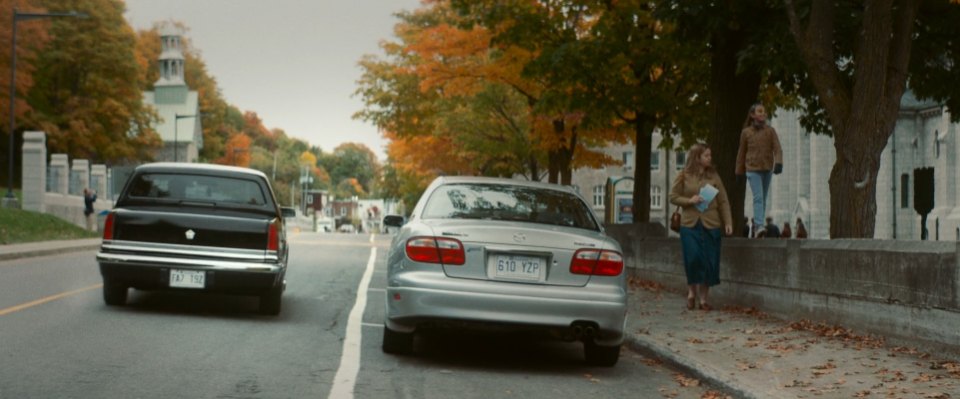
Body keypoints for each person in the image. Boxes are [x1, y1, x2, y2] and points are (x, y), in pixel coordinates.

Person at [670, 143, 733, 312]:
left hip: (711, 224)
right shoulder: (684, 175)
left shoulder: (714, 176)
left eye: (710, 155)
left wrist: (728, 222)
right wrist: (689, 201)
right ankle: (691, 293)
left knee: (710, 261)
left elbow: (723, 201)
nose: (709, 158)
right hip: (689, 224)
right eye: (706, 155)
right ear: (697, 157)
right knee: (693, 259)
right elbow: (673, 196)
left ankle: (704, 300)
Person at [735, 103, 783, 238]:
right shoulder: (746, 133)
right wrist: (739, 171)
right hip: (752, 169)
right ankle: (759, 225)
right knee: (758, 197)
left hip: (767, 168)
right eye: (759, 111)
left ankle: (758, 226)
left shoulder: (770, 131)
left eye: (764, 111)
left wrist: (778, 162)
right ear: (752, 115)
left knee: (763, 197)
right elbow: (741, 152)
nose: (763, 114)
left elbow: (777, 148)